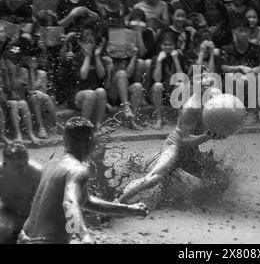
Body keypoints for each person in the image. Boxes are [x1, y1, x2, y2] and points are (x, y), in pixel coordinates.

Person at [19, 117, 148, 244]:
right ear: (90, 140)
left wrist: (128, 209)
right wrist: (84, 236)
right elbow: (69, 203)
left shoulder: (51, 165)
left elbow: (86, 201)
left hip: (25, 238)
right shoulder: (78, 170)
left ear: (65, 139)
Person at [118, 66, 225, 204]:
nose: (205, 80)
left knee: (219, 178)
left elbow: (224, 121)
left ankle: (162, 171)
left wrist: (221, 132)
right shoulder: (191, 107)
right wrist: (206, 136)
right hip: (175, 146)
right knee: (154, 178)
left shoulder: (217, 95)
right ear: (193, 83)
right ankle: (118, 202)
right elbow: (184, 140)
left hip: (191, 152)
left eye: (206, 76)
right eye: (199, 78)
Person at [0, 142, 42, 244]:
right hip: (9, 214)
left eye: (26, 163)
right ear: (5, 163)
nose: (24, 169)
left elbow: (48, 201)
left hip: (33, 216)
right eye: (19, 166)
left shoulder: (37, 173)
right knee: (3, 229)